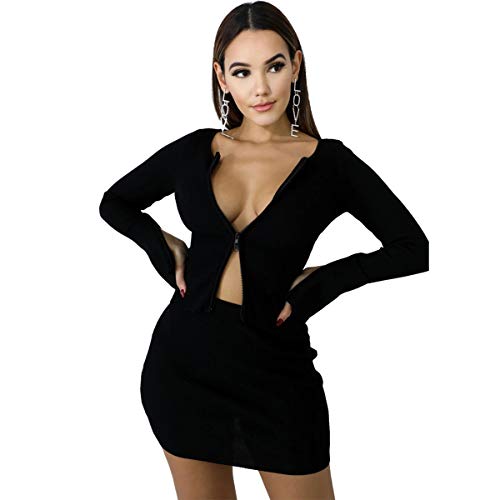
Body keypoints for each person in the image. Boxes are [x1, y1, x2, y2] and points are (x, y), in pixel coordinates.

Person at [99, 2, 429, 498]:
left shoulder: (330, 165)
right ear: (221, 78)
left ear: (295, 65)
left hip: (276, 374)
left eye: (274, 67)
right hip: (183, 364)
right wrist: (161, 244)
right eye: (242, 72)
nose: (261, 88)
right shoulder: (195, 151)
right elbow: (115, 203)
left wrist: (324, 281)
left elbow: (412, 248)